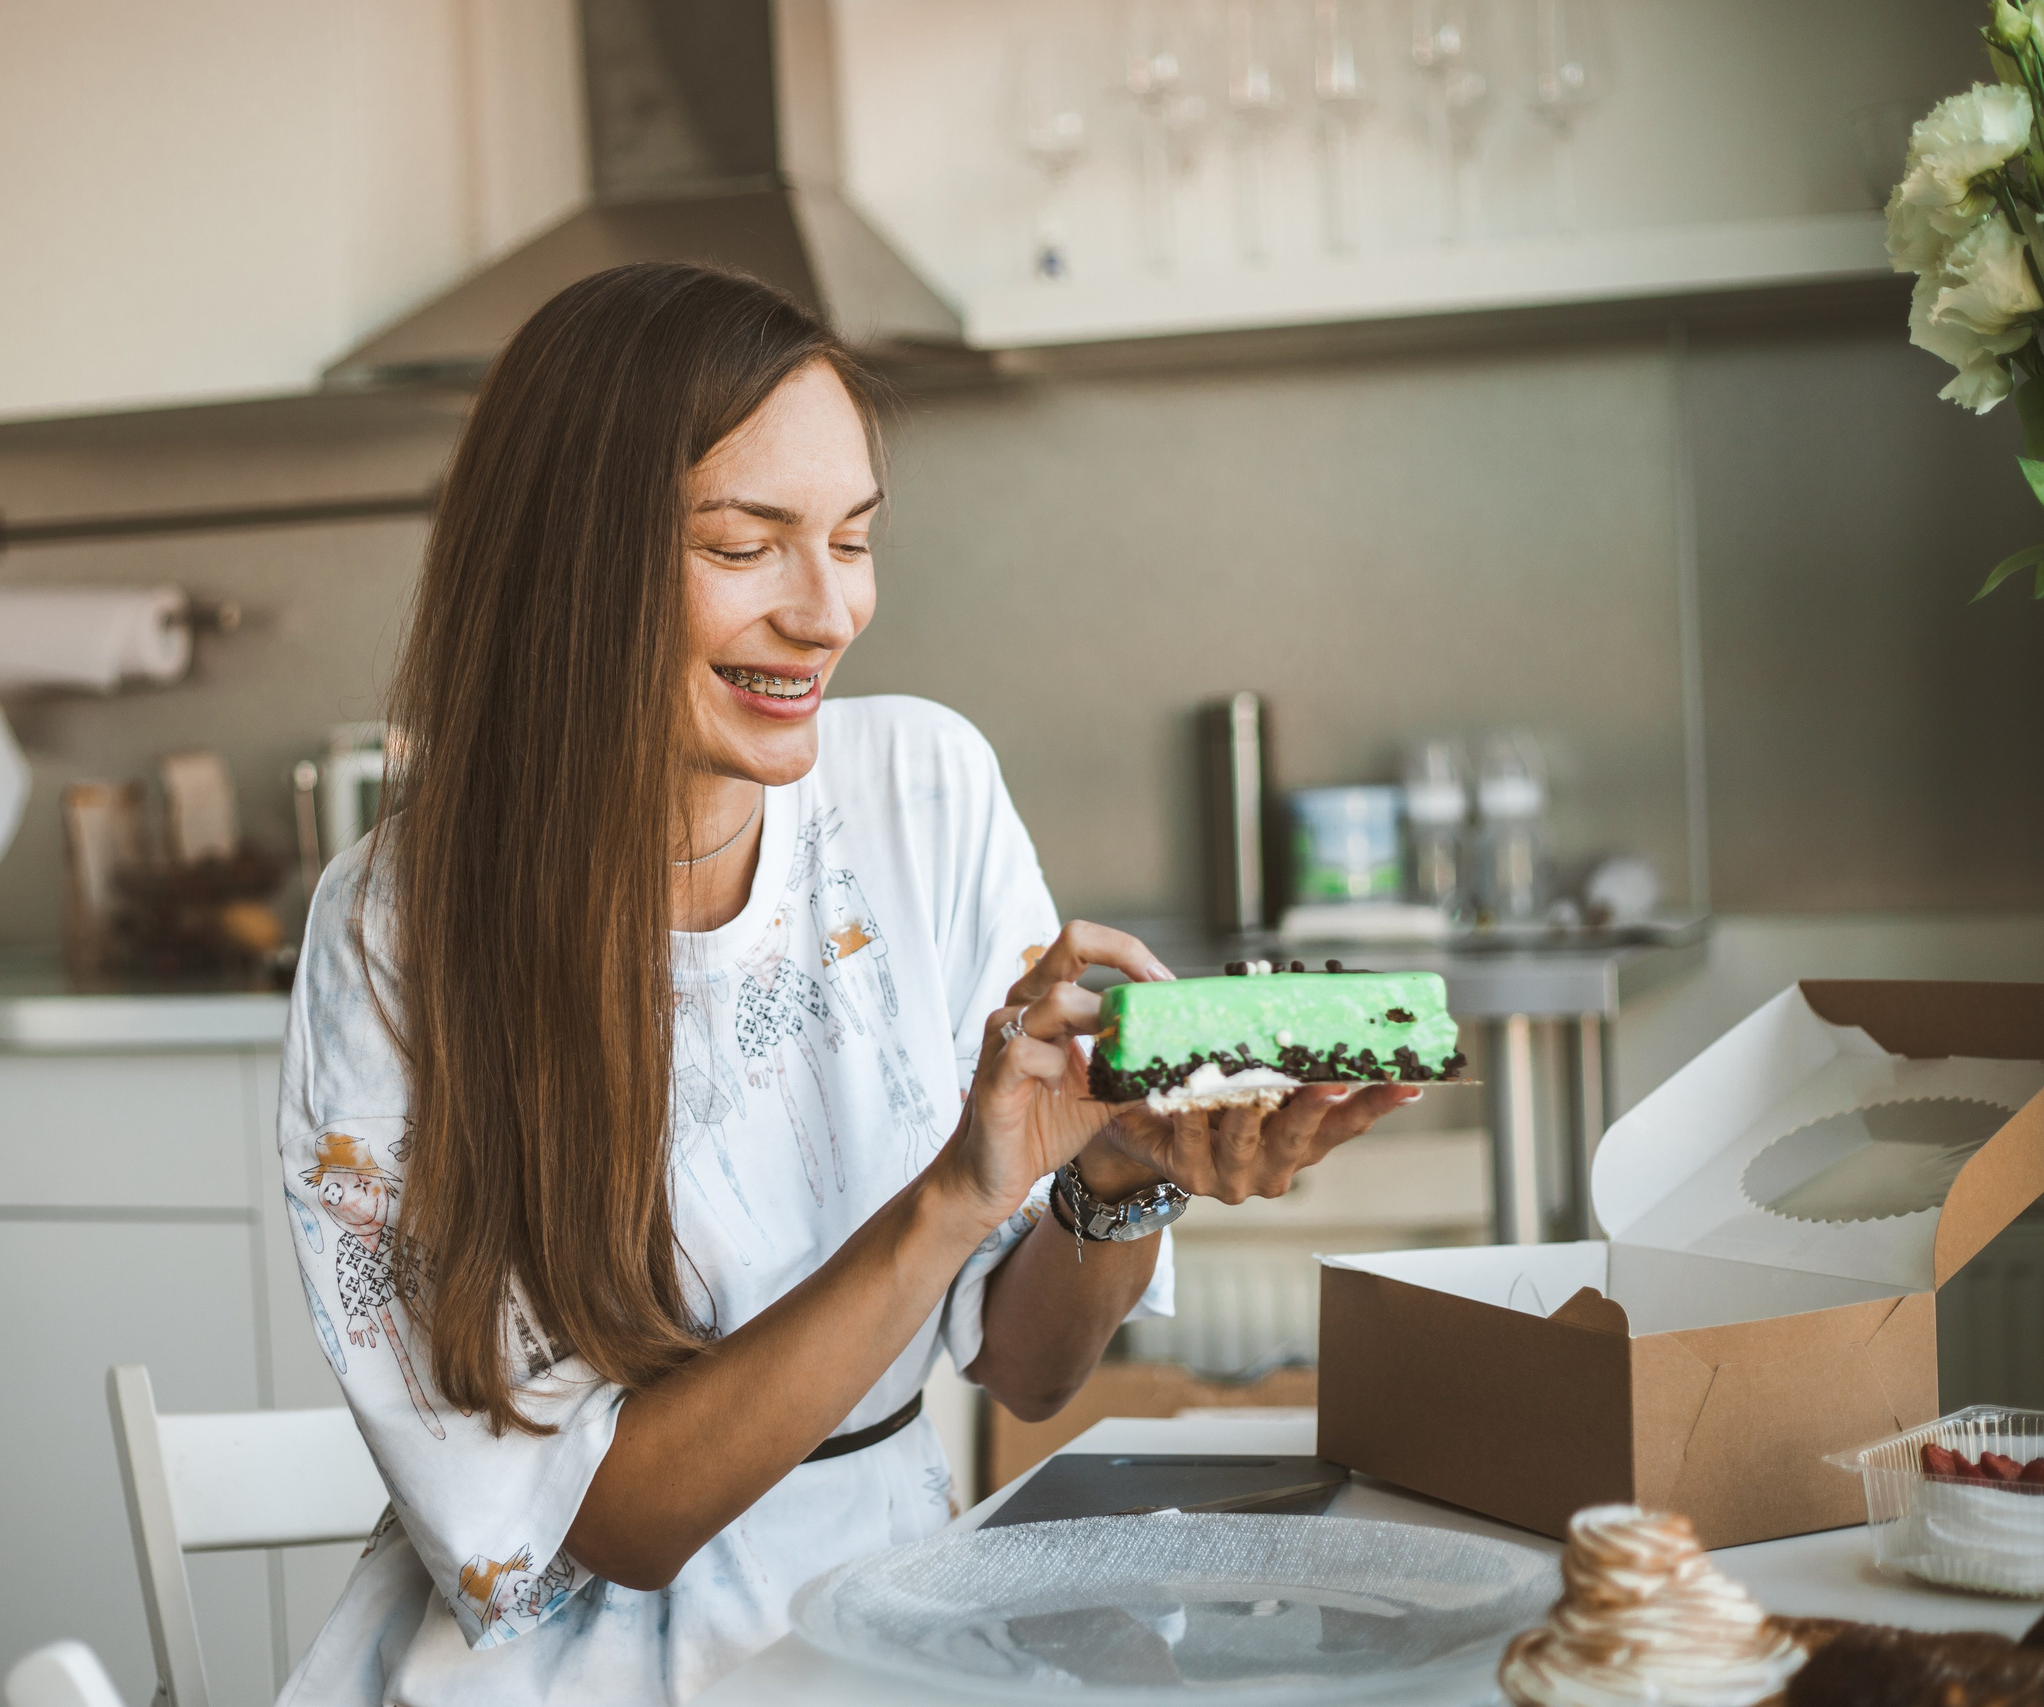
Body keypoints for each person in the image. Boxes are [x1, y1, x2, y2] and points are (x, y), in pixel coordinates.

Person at [275, 261, 1416, 1706]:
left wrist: (1114, 1168)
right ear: (574, 563)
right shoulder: (399, 928)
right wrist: (954, 1195)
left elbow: (1033, 1368)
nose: (827, 613)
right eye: (748, 546)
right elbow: (616, 1524)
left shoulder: (924, 792)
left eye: (855, 540)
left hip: (900, 1617)